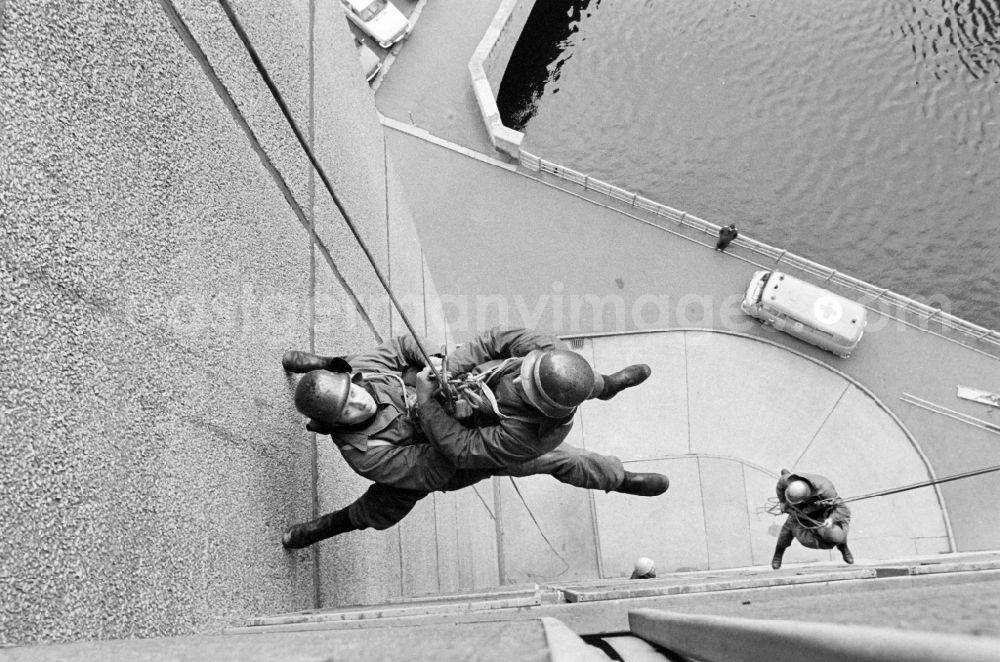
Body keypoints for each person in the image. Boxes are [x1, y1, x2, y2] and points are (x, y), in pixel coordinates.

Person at [280, 326, 670, 548]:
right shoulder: (365, 453)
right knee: (381, 510)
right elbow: (445, 463)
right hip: (449, 458)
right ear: (333, 427)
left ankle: (606, 390)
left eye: (353, 391)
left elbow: (402, 345)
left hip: (456, 400)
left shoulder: (365, 373)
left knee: (564, 381)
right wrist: (432, 399)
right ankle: (324, 528)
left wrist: (438, 364)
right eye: (346, 411)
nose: (359, 404)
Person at [771, 469, 853, 569]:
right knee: (787, 529)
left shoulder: (826, 489)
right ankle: (778, 554)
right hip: (799, 509)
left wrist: (831, 519)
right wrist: (782, 502)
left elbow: (842, 508)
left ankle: (843, 547)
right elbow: (780, 485)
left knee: (836, 533)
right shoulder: (787, 480)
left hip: (821, 509)